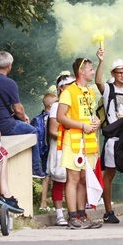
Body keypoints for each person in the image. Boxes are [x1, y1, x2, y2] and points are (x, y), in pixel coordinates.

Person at [56, 58, 102, 229]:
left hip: (89, 142)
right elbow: (61, 117)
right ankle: (73, 216)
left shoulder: (90, 92)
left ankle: (82, 214)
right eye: (90, 69)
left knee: (84, 179)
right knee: (73, 179)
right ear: (81, 71)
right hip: (74, 141)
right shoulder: (68, 91)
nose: (92, 72)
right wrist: (82, 125)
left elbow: (91, 115)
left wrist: (96, 122)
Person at [0, 51, 42, 176]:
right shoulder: (10, 83)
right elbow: (18, 109)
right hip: (5, 126)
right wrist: (24, 117)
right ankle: (35, 168)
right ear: (9, 65)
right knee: (33, 131)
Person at [95, 51, 123, 224]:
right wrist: (100, 62)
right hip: (113, 137)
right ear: (113, 74)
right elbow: (98, 82)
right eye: (119, 72)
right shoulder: (109, 89)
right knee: (109, 173)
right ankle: (108, 211)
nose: (122, 75)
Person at [48, 73, 74, 226]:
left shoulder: (73, 105)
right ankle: (59, 214)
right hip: (60, 147)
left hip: (72, 146)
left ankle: (74, 213)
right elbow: (53, 130)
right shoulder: (56, 106)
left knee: (73, 179)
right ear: (61, 88)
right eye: (69, 85)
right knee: (59, 180)